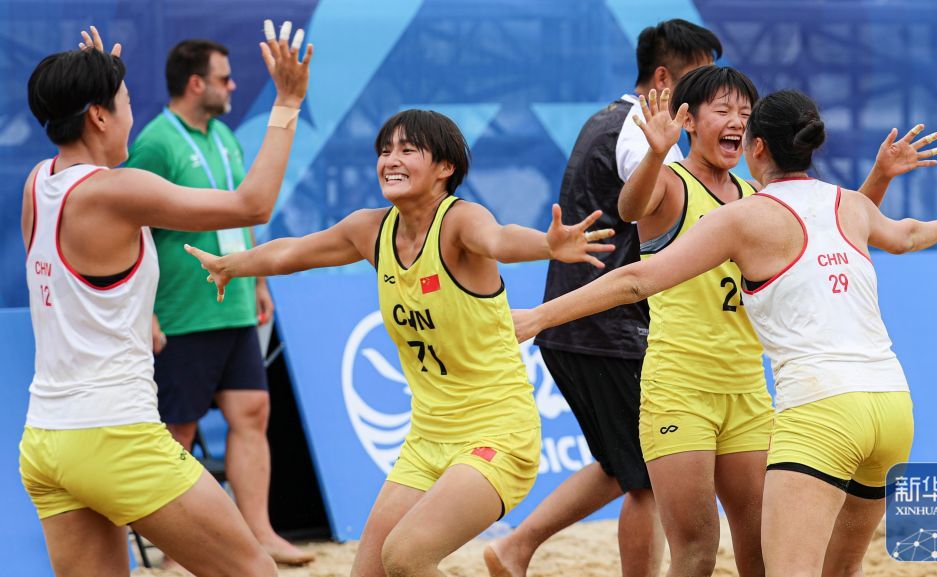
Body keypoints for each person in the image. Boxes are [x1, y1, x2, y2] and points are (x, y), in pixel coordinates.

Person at [512, 88, 937, 577]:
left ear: (756, 146)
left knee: (769, 562)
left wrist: (539, 316)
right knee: (827, 567)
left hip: (813, 407)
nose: (735, 122)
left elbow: (636, 279)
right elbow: (898, 234)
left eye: (744, 114)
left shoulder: (746, 212)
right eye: (724, 110)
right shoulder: (845, 203)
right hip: (889, 405)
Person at [183, 109, 615, 577]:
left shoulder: (459, 222)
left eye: (408, 150)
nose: (391, 159)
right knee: (368, 573)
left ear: (445, 167)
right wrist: (231, 265)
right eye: (385, 150)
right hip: (426, 439)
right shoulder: (371, 229)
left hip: (496, 436)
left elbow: (500, 239)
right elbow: (293, 251)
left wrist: (548, 246)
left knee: (405, 557)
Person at [20, 23, 312, 577]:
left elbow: (79, 130)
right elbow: (253, 205)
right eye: (126, 102)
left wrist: (91, 77)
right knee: (256, 572)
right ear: (99, 116)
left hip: (46, 440)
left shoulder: (38, 183)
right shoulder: (117, 190)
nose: (132, 114)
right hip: (114, 435)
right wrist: (288, 102)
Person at [484, 20, 721, 577]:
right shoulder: (641, 133)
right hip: (608, 326)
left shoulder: (608, 119)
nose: (709, 95)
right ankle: (517, 547)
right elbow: (659, 206)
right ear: (663, 79)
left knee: (624, 466)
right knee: (647, 478)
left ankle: (515, 548)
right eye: (700, 80)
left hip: (586, 324)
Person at [124, 38, 312, 567]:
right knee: (177, 429)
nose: (233, 85)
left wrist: (258, 280)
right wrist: (145, 308)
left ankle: (260, 532)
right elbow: (130, 226)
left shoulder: (225, 137)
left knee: (253, 411)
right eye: (224, 78)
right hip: (183, 311)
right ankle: (173, 545)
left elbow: (241, 215)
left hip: (233, 304)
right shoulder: (156, 143)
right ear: (195, 84)